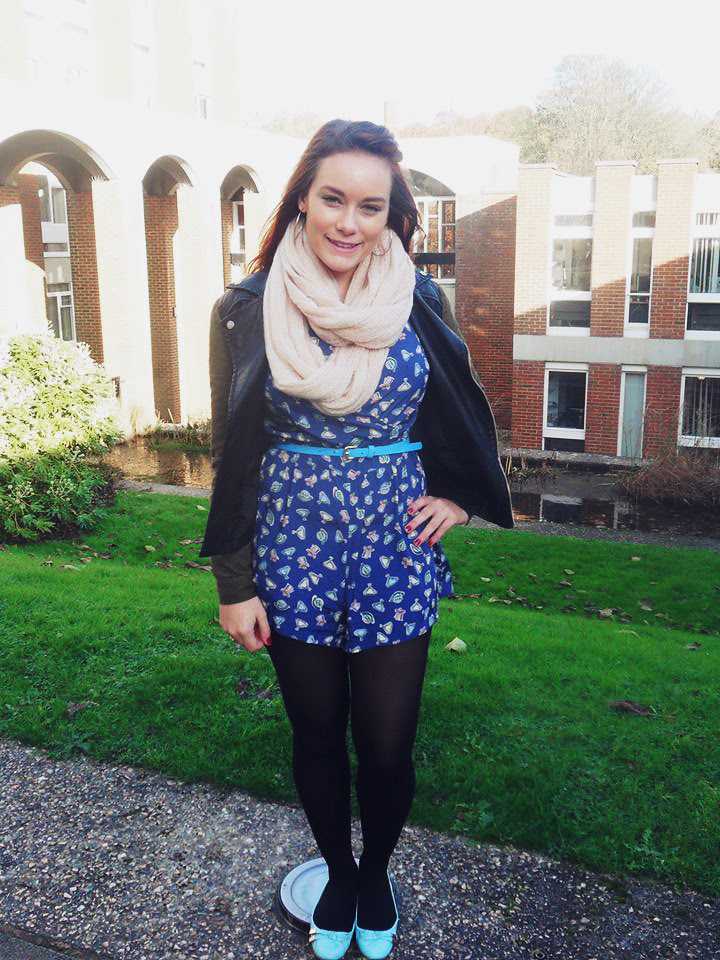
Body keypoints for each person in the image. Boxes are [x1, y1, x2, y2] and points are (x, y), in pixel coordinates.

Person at [201, 119, 513, 960]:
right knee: (314, 733)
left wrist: (459, 494)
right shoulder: (245, 306)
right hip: (290, 543)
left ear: (391, 215)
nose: (349, 221)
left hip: (393, 545)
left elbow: (453, 406)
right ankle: (338, 875)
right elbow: (231, 452)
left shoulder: (420, 299)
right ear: (303, 199)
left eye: (369, 206)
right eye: (332, 198)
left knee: (386, 743)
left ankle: (376, 876)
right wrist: (235, 584)